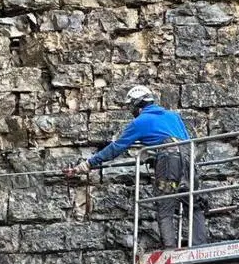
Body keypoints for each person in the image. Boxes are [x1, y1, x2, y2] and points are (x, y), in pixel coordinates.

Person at [65, 85, 207, 248]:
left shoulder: (140, 122)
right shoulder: (173, 116)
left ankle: (170, 249)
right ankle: (200, 246)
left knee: (164, 203)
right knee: (193, 202)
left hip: (169, 162)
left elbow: (116, 147)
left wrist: (87, 165)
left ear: (137, 105)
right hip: (188, 160)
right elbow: (186, 140)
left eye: (131, 107)